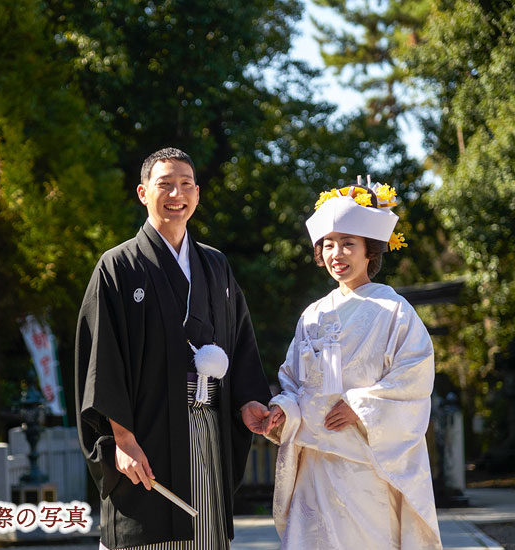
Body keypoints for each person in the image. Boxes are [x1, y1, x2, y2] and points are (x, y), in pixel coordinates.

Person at [75, 147, 272, 549]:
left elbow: (240, 341)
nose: (176, 194)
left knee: (203, 530)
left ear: (197, 195)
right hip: (145, 429)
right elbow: (104, 361)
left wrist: (249, 401)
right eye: (165, 185)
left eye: (185, 185)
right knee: (149, 530)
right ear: (143, 193)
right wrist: (124, 441)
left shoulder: (216, 265)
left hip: (207, 425)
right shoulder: (118, 267)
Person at [259, 181, 443, 549]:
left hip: (366, 461)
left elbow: (414, 377)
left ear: (369, 250)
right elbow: (294, 381)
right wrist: (284, 409)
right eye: (328, 244)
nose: (336, 253)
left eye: (348, 243)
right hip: (315, 463)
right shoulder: (312, 314)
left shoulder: (394, 311)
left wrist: (361, 406)